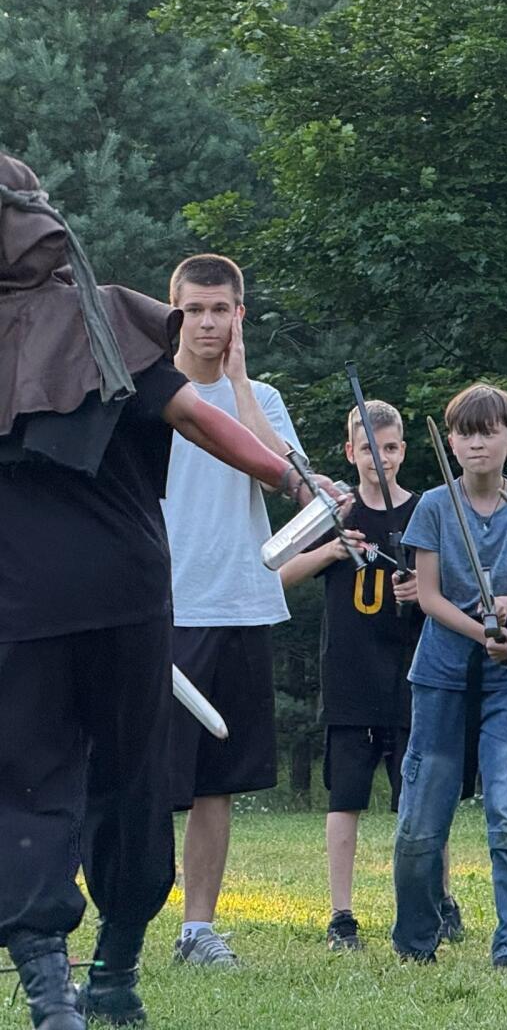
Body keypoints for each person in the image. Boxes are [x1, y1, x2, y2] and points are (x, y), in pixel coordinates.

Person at [0, 157, 340, 1029]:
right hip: (127, 588)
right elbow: (196, 416)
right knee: (131, 778)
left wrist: (292, 478)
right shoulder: (106, 316)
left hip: (24, 603)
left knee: (30, 783)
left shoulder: (103, 316)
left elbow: (200, 416)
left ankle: (53, 993)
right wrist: (294, 481)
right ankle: (113, 974)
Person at [163, 253, 306, 968]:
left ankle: (198, 930)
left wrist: (241, 382)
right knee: (141, 777)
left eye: (221, 309)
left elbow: (289, 479)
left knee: (217, 782)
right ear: (174, 316)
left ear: (240, 316)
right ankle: (118, 924)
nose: (208, 323)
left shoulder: (263, 400)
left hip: (240, 607)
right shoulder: (148, 392)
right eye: (194, 309)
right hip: (161, 610)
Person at [278, 398, 462, 951]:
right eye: (368, 449)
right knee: (346, 799)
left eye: (389, 448)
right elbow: (278, 572)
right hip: (350, 677)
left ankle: (439, 900)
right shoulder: (334, 511)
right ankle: (342, 915)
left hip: (414, 676)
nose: (380, 459)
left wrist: (423, 591)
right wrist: (332, 552)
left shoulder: (428, 510)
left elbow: (457, 582)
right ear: (349, 452)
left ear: (403, 450)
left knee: (424, 798)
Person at [391, 383, 507, 968]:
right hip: (440, 673)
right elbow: (429, 597)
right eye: (464, 433)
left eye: (488, 432)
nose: (476, 443)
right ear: (451, 443)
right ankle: (416, 940)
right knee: (421, 817)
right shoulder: (434, 506)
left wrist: (505, 612)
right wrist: (479, 631)